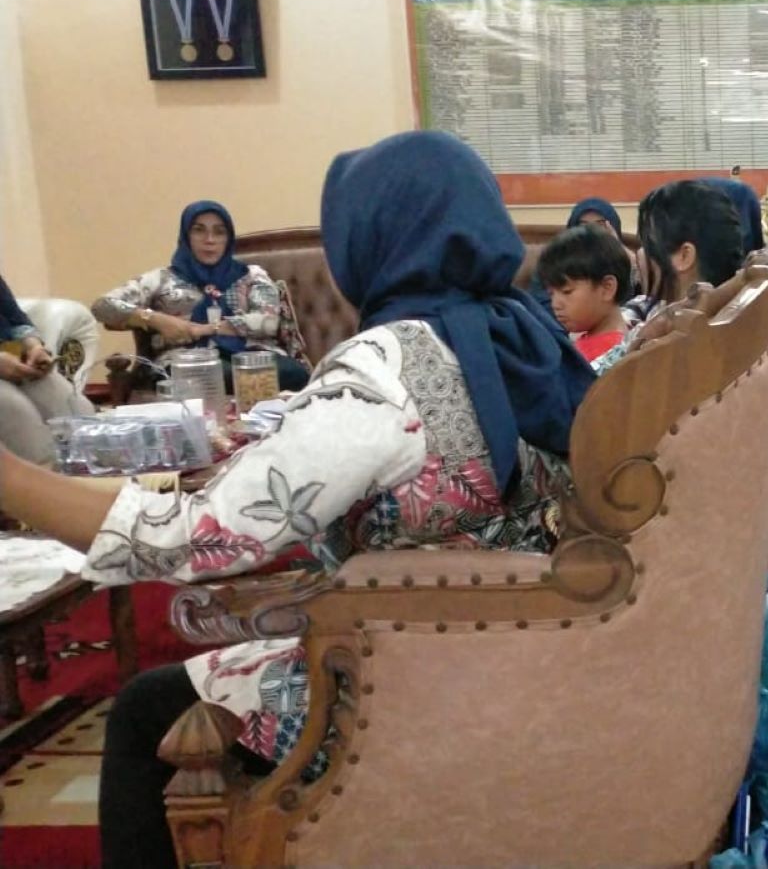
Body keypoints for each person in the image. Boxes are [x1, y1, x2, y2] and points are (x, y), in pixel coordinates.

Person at [0, 131, 595, 869]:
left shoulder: (387, 367)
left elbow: (195, 538)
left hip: (413, 679)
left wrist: (14, 479)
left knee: (146, 709)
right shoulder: (529, 332)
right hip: (529, 646)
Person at [91, 201, 312, 394]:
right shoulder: (162, 278)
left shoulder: (251, 275)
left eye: (219, 232)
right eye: (199, 230)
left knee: (293, 373)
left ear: (228, 239)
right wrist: (157, 320)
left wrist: (201, 329)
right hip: (188, 362)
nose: (210, 240)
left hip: (251, 356)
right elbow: (102, 306)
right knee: (205, 377)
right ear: (186, 236)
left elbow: (267, 321)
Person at [591, 179, 748, 376]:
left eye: (648, 245)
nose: (640, 254)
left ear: (684, 256)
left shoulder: (664, 339)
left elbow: (586, 384)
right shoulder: (734, 316)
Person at [0, 273, 93, 463]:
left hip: (13, 358)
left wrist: (34, 347)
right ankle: (42, 478)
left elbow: (16, 319)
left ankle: (98, 476)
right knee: (19, 416)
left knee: (77, 409)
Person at [536, 223, 633, 361]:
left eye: (567, 292)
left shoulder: (610, 355)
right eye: (551, 294)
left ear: (607, 288)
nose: (555, 304)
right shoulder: (594, 338)